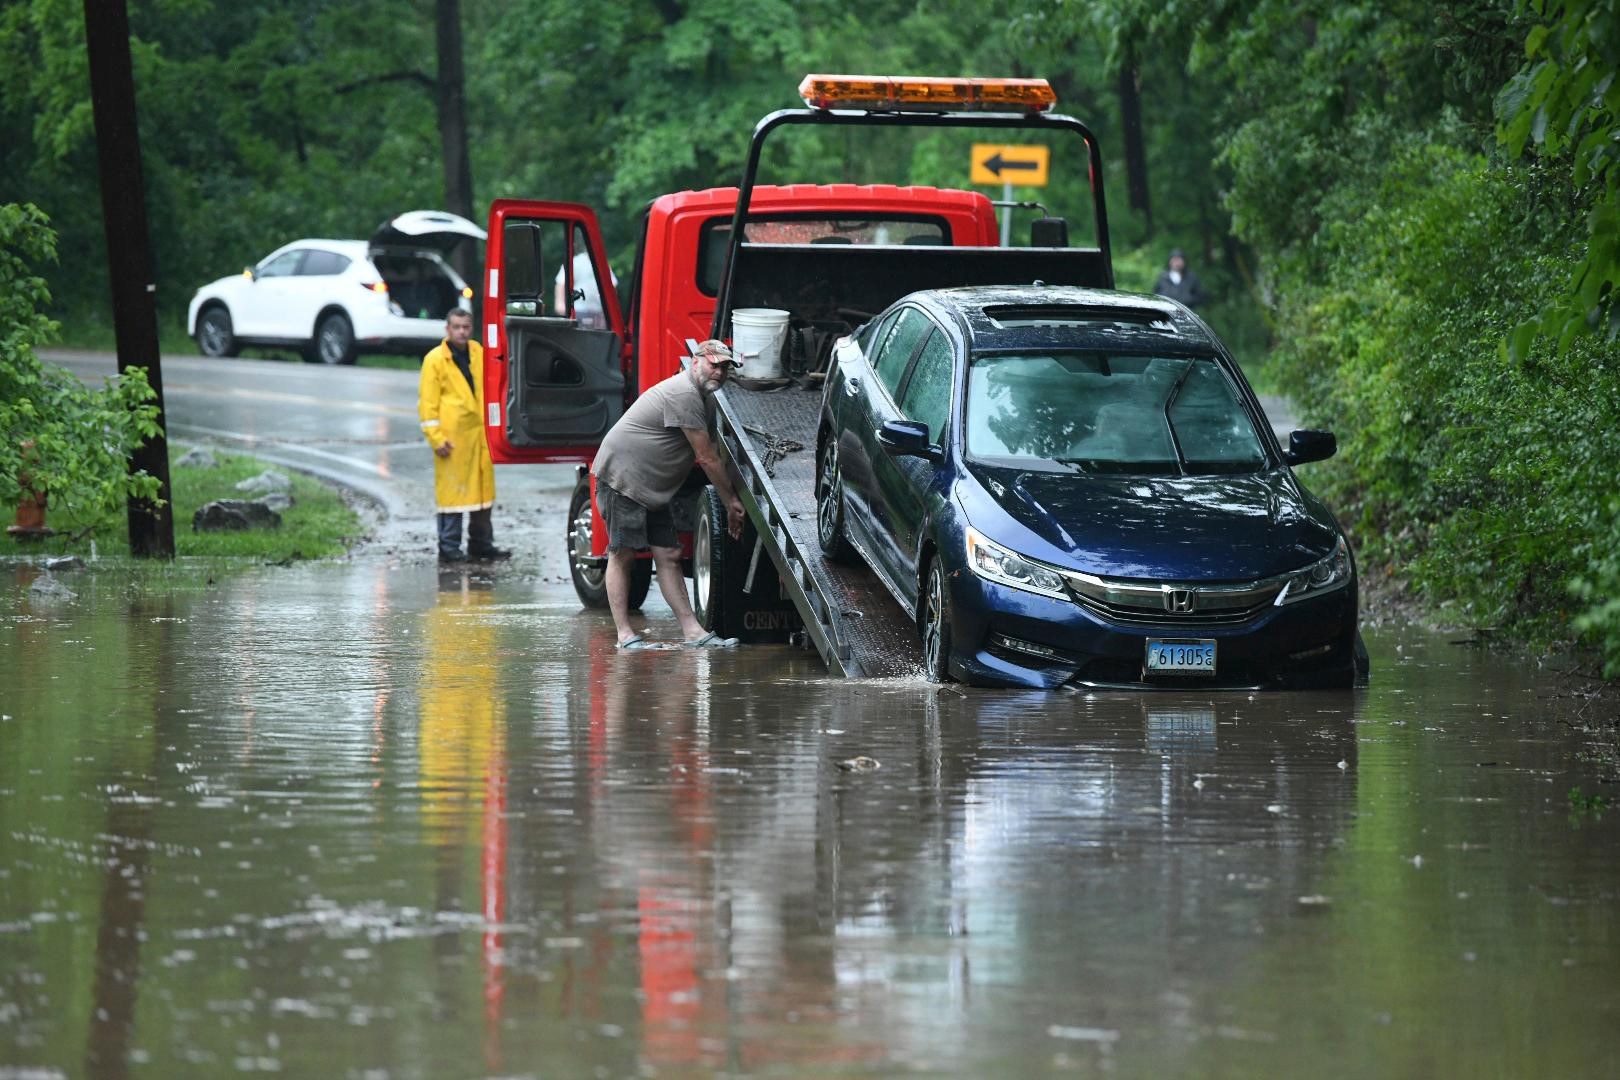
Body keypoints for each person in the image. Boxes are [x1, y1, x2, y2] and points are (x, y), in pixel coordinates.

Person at [592, 339, 747, 649]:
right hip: (623, 478)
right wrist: (731, 501)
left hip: (650, 485)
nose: (718, 372)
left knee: (669, 555)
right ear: (695, 362)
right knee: (623, 554)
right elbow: (707, 456)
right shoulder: (684, 393)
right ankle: (625, 636)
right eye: (713, 364)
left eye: (725, 368)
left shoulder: (703, 396)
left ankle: (693, 633)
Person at [418, 308, 511, 564]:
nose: (462, 331)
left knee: (482, 495)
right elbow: (428, 404)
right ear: (447, 329)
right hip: (452, 439)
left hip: (480, 437)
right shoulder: (435, 360)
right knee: (453, 496)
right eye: (457, 327)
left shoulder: (479, 353)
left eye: (466, 327)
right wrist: (436, 438)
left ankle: (481, 544)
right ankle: (449, 547)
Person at [553, 249, 619, 330]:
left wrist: (611, 309)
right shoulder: (575, 262)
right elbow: (561, 283)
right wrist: (559, 303)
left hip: (598, 312)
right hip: (577, 311)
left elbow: (611, 286)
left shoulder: (602, 264)